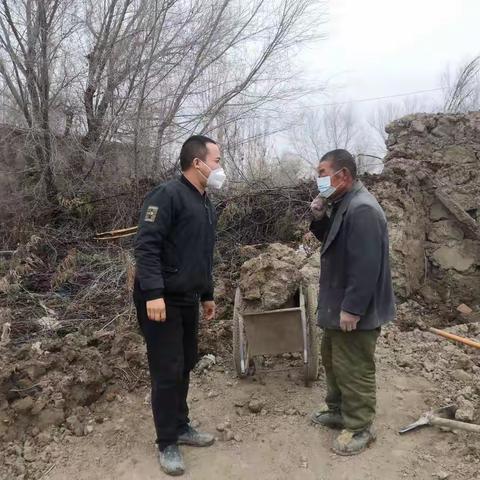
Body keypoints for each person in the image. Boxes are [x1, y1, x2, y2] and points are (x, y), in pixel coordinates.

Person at [133, 135, 225, 476]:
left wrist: (207, 294)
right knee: (166, 370)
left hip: (187, 298)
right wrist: (154, 292)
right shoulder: (167, 195)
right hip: (161, 300)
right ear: (197, 163)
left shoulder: (204, 202)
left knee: (185, 364)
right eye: (216, 160)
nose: (219, 167)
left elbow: (202, 255)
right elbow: (146, 246)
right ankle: (167, 441)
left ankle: (182, 425)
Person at [309, 149, 395, 456]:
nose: (318, 179)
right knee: (333, 358)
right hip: (338, 301)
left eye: (322, 172)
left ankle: (359, 426)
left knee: (354, 366)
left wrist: (353, 308)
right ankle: (338, 410)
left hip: (355, 308)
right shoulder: (343, 203)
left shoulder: (362, 209)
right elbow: (332, 240)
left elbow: (366, 265)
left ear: (342, 175)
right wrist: (319, 216)